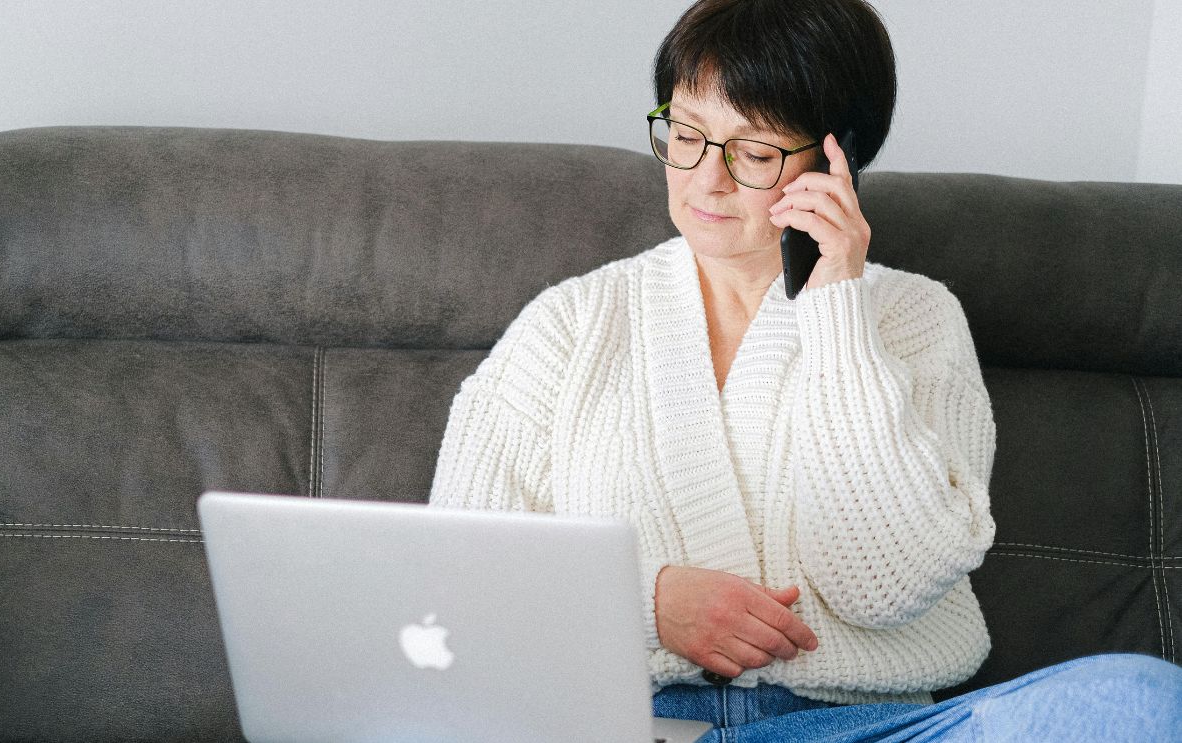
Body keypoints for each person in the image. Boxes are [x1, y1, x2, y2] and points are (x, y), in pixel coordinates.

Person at [429, 0, 1182, 739]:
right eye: (686, 134)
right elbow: (451, 582)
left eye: (752, 153)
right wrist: (645, 602)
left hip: (858, 727)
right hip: (623, 723)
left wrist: (835, 315)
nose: (704, 180)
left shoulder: (914, 319)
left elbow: (885, 584)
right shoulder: (568, 323)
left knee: (1138, 701)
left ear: (834, 163)